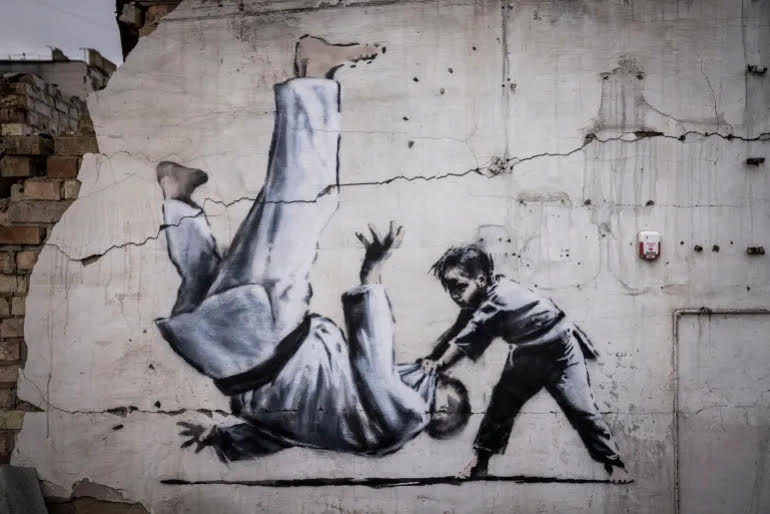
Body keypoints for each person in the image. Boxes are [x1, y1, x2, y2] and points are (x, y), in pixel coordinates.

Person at [154, 36, 470, 462]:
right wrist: (221, 439)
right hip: (219, 359)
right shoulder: (358, 429)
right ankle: (177, 197)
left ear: (439, 411)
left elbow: (374, 364)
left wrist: (371, 276)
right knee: (208, 279)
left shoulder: (408, 416)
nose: (428, 368)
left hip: (270, 337)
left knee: (307, 199)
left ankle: (314, 75)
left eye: (437, 379)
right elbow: (284, 432)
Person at [421, 245, 633, 483]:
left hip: (561, 353)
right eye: (449, 288)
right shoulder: (484, 296)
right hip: (527, 355)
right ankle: (480, 462)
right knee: (500, 409)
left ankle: (614, 463)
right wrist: (434, 357)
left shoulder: (498, 300)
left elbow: (465, 340)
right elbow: (458, 330)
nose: (454, 295)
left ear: (480, 280)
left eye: (460, 286)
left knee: (582, 410)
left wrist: (440, 364)